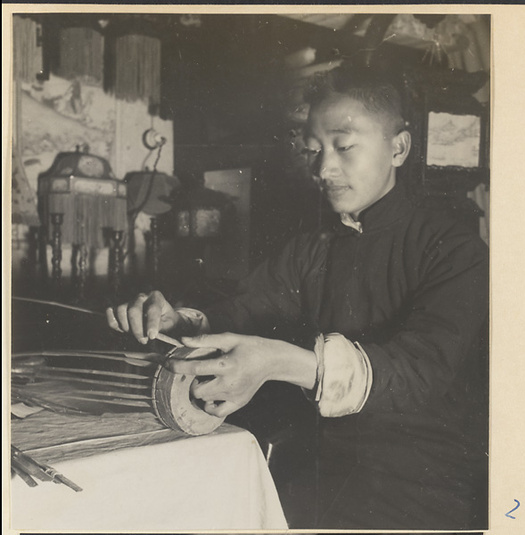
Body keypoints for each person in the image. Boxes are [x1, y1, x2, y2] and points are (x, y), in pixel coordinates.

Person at [106, 65, 489, 530]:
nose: (323, 169)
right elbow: (245, 309)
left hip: (423, 491)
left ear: (399, 147)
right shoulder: (315, 246)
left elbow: (419, 370)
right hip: (319, 472)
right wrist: (175, 322)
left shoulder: (455, 249)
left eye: (344, 147)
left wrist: (280, 362)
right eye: (313, 150)